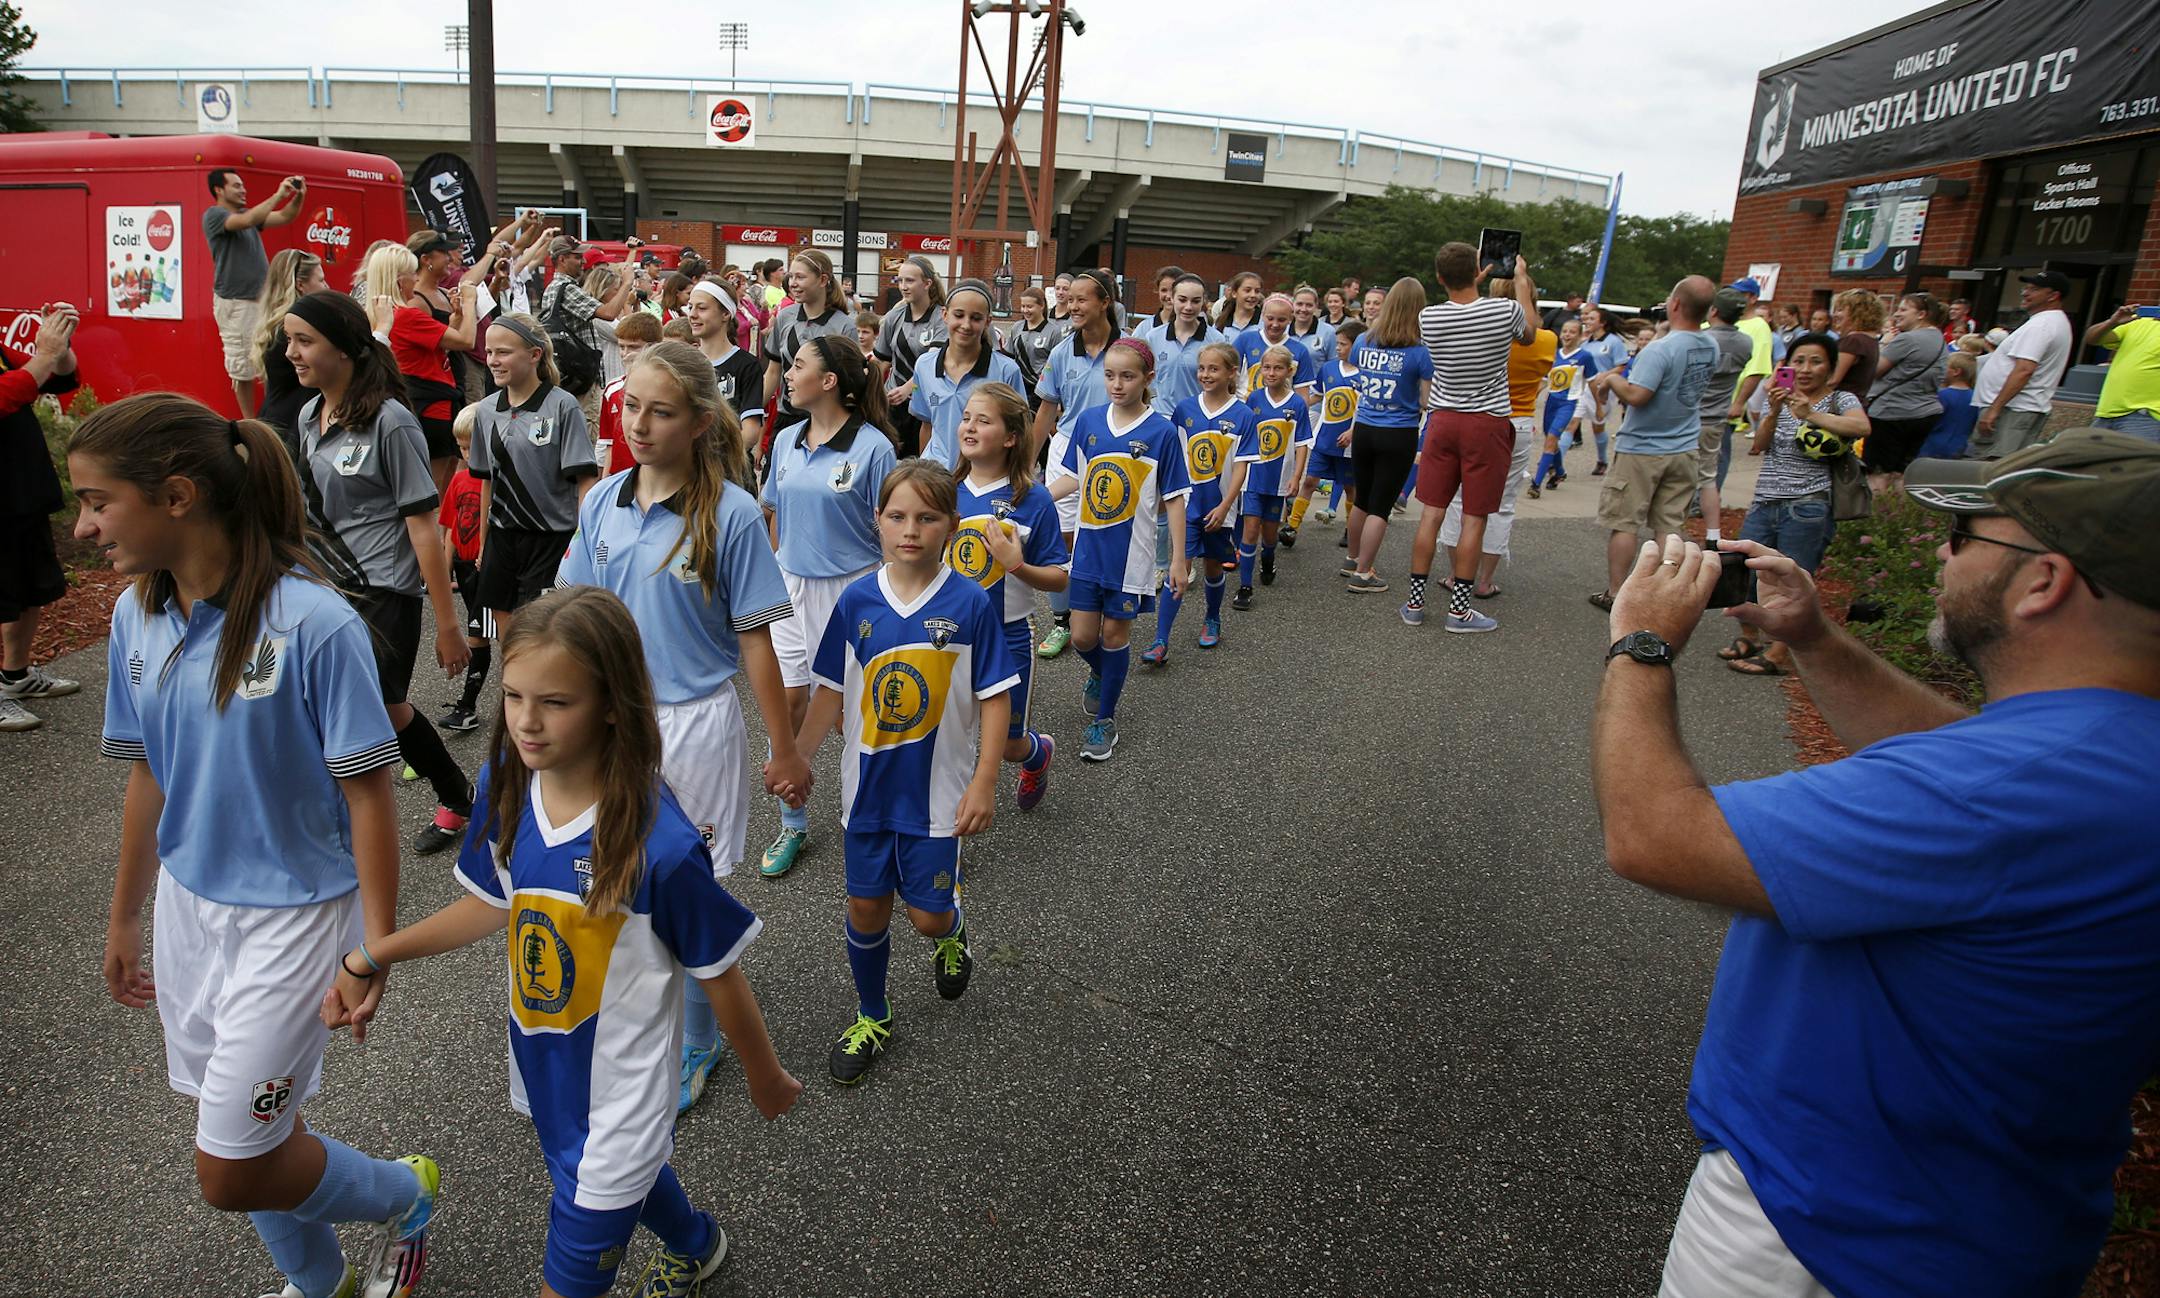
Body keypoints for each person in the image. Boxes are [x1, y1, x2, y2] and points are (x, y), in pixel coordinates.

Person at [1592, 431, 2160, 1298]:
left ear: (2044, 583)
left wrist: (1639, 644)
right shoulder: (2099, 754)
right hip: (1988, 1217)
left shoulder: (2005, 788)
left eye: (1967, 534)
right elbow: (1966, 767)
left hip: (1829, 1228)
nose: (1940, 546)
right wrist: (1813, 639)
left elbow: (1655, 834)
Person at [327, 585, 802, 1298]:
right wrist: (374, 952)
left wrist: (764, 1075)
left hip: (623, 1097)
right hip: (547, 1062)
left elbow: (720, 971)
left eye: (555, 702)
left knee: (588, 1221)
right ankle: (697, 1244)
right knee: (612, 1180)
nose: (526, 721)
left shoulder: (660, 846)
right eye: (515, 697)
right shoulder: (509, 782)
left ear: (613, 701)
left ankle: (681, 1241)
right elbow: (492, 906)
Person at [73, 393, 436, 1298]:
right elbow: (150, 777)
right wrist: (125, 917)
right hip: (190, 912)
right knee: (244, 1129)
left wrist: (373, 949)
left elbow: (369, 795)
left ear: (179, 496)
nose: (82, 527)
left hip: (299, 921)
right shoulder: (136, 617)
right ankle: (321, 1283)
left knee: (228, 1167)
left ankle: (403, 1195)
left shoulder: (315, 625)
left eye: (97, 501)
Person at [556, 341, 808, 1115]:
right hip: (612, 724)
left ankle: (701, 1039)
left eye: (660, 411)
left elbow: (757, 640)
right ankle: (632, 1010)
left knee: (689, 891)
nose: (639, 424)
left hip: (695, 727)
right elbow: (571, 612)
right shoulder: (602, 500)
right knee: (610, 874)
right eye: (631, 405)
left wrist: (785, 747)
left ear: (700, 422)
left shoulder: (730, 515)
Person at [793, 460, 1020, 1086]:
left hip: (937, 796)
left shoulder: (969, 601)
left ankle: (951, 931)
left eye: (926, 517)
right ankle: (873, 1014)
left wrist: (984, 781)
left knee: (923, 916)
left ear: (950, 525)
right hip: (865, 793)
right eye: (897, 516)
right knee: (866, 909)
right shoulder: (858, 598)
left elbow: (997, 695)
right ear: (878, 522)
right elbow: (831, 691)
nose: (910, 530)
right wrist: (796, 756)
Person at [285, 292, 475, 858]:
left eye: (304, 341)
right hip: (328, 586)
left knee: (383, 706)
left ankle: (454, 797)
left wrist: (447, 624)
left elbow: (423, 524)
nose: (291, 353)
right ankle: (446, 795)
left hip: (384, 589)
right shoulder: (308, 414)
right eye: (289, 341)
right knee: (355, 705)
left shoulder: (391, 421)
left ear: (344, 348)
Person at [756, 335, 898, 880]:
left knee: (851, 716)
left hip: (854, 590)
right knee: (789, 702)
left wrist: (892, 599)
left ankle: (870, 813)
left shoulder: (874, 447)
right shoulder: (787, 438)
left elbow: (890, 531)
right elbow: (773, 513)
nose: (787, 375)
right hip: (789, 589)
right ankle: (792, 819)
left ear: (830, 381)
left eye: (797, 366)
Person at [1046, 339, 1189, 762]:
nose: (1117, 384)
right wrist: (1033, 499)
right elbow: (1073, 478)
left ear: (1148, 379)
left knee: (1113, 635)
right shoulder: (1089, 421)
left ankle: (1105, 720)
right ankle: (1103, 674)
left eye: (1127, 376)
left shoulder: (1162, 431)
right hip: (1088, 552)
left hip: (1133, 556)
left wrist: (1178, 558)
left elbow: (1177, 497)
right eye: (1109, 375)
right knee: (1082, 635)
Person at [1401, 242, 1539, 631]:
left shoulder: (1429, 318)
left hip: (1443, 420)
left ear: (1440, 277)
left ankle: (1414, 604)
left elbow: (1460, 308)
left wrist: (1469, 278)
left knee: (1431, 512)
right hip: (1486, 421)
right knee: (1474, 517)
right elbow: (1529, 334)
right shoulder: (1504, 309)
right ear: (1478, 269)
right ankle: (1459, 609)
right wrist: (1522, 283)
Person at [1720, 332, 1870, 677]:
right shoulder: (1782, 399)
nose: (1805, 369)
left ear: (1831, 367)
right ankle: (1749, 636)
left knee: (1794, 579)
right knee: (1743, 570)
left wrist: (1811, 415)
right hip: (1765, 499)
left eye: (1816, 361)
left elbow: (1862, 427)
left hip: (1808, 505)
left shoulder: (1839, 399)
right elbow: (1759, 444)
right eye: (1798, 361)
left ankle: (1778, 653)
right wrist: (1774, 410)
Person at [948, 381, 1069, 801]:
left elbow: (1059, 576)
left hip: (1009, 635)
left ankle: (1037, 754)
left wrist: (1015, 564)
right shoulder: (945, 491)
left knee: (1008, 746)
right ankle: (946, 827)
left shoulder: (1033, 499)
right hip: (949, 634)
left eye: (983, 420)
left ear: (1011, 437)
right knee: (948, 736)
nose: (970, 427)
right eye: (966, 418)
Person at [1585, 278, 1720, 611]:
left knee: (1625, 521)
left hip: (1643, 447)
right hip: (1685, 445)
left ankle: (1618, 594)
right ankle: (1661, 592)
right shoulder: (1710, 346)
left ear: (1674, 304)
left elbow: (1638, 396)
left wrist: (1612, 379)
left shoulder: (1660, 349)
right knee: (1669, 526)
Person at [471, 313, 602, 641]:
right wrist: (483, 539)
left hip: (550, 536)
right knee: (504, 626)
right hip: (502, 536)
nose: (493, 361)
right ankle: (512, 689)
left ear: (534, 354)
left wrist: (581, 538)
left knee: (542, 629)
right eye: (489, 352)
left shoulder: (562, 406)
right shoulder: (485, 411)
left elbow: (585, 479)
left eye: (503, 352)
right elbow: (486, 479)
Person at [1436, 281, 1556, 599]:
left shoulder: (1476, 329)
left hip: (1471, 415)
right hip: (1518, 419)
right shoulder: (1545, 339)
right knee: (1501, 504)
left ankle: (1454, 573)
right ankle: (1485, 579)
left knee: (1459, 500)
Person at [1029, 268, 1124, 659]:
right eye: (1069, 300)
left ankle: (1105, 611)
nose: (1072, 306)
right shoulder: (1061, 351)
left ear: (1105, 303)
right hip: (1067, 449)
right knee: (1062, 538)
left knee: (1106, 535)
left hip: (1115, 447)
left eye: (1082, 299)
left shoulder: (1127, 349)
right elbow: (1047, 410)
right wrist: (1026, 462)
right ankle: (1064, 621)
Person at [0, 304, 81, 733]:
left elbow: (60, 377)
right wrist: (44, 356)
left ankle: (15, 676)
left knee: (29, 589)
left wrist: (59, 343)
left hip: (20, 492)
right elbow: (9, 392)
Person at [1156, 341, 1250, 661]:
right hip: (1188, 504)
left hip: (1220, 509)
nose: (1206, 374)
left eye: (1214, 368)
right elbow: (1173, 456)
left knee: (1212, 567)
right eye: (1202, 368)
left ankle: (1212, 617)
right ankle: (1160, 639)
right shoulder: (1185, 409)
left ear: (1231, 373)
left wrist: (1225, 506)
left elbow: (1241, 466)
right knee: (1178, 564)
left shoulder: (1243, 414)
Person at [1342, 278, 1434, 595]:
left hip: (1365, 427)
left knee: (1362, 500)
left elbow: (1356, 370)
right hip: (1399, 432)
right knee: (1381, 505)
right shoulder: (1420, 352)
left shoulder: (1364, 340)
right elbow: (1426, 400)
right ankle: (1365, 573)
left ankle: (1353, 559)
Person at [371, 245, 477, 493]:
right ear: (399, 281)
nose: (417, 279)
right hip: (433, 407)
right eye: (412, 273)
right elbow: (466, 341)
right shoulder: (407, 316)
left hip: (415, 401)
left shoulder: (380, 315)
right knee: (437, 488)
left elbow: (443, 343)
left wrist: (458, 316)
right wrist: (471, 302)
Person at [203, 169, 305, 418]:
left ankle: (273, 415)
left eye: (243, 185)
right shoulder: (215, 215)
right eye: (236, 186)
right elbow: (246, 221)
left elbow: (284, 216)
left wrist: (298, 196)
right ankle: (251, 424)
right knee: (242, 369)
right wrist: (278, 193)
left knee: (269, 358)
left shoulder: (246, 215)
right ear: (219, 190)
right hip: (237, 302)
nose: (243, 189)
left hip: (261, 301)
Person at [1218, 346, 1312, 608]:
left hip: (1278, 479)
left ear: (1289, 371)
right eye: (1267, 367)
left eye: (1278, 368)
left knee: (1270, 534)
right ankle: (1245, 587)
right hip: (1253, 478)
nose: (1271, 373)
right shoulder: (1254, 400)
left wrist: (1296, 477)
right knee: (1250, 529)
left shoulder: (1296, 404)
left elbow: (1302, 443)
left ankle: (1268, 558)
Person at [909, 279, 1025, 468]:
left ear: (988, 321)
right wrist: (925, 475)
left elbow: (1019, 432)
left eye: (976, 318)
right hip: (938, 478)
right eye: (959, 315)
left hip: (983, 477)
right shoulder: (924, 366)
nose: (966, 324)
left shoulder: (1006, 371)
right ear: (945, 315)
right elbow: (927, 426)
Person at [1968, 271, 2074, 460]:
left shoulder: (2041, 326)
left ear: (2053, 296)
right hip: (2016, 408)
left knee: (1994, 466)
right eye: (2026, 288)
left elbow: (2024, 370)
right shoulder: (2049, 322)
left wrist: (1994, 409)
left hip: (2013, 410)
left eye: (2034, 289)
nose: (2025, 293)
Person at [435, 405, 494, 734]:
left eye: (474, 446)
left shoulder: (497, 481)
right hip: (466, 570)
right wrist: (443, 574)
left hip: (490, 569)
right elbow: (450, 530)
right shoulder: (458, 480)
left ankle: (475, 704)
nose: (469, 454)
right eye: (462, 447)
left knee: (497, 637)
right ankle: (468, 707)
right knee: (479, 636)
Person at [761, 251, 858, 440]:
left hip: (825, 424)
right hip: (786, 418)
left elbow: (851, 386)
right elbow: (773, 372)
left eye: (800, 277)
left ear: (823, 280)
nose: (792, 283)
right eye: (791, 276)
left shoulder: (844, 326)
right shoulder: (785, 317)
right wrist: (752, 412)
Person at [1689, 289, 1759, 546]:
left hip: (1689, 417)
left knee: (1677, 476)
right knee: (1708, 478)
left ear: (1714, 311)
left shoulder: (1701, 339)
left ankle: (1670, 530)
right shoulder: (1745, 342)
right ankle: (1713, 534)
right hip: (1716, 418)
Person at [1863, 292, 1950, 487]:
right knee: (1900, 473)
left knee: (1878, 472)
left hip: (1891, 412)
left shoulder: (1907, 339)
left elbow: (1874, 370)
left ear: (1921, 314)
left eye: (1903, 309)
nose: (1896, 314)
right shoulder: (1939, 338)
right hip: (1925, 412)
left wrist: (1884, 342)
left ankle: (1876, 515)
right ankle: (1898, 515)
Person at [252, 249, 329, 450]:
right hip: (290, 429)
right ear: (301, 285)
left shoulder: (276, 324)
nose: (326, 286)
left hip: (276, 420)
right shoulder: (293, 329)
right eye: (321, 280)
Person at [876, 255, 950, 457]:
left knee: (920, 467)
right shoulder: (894, 316)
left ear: (927, 283)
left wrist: (908, 388)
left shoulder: (940, 317)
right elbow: (882, 361)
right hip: (893, 405)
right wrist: (872, 393)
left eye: (909, 280)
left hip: (924, 405)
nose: (903, 286)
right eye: (900, 280)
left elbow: (931, 362)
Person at [1296, 322, 1362, 537]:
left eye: (1343, 344)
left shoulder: (1366, 374)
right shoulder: (1329, 368)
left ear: (1358, 345)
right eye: (1338, 343)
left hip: (1349, 445)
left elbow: (1367, 409)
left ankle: (1350, 530)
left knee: (1350, 488)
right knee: (1310, 481)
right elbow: (1317, 395)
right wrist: (1296, 405)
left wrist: (1354, 432)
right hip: (1324, 439)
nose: (1338, 348)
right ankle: (1292, 526)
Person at [684, 279, 765, 444]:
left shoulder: (746, 364)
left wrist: (716, 460)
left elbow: (750, 431)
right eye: (691, 307)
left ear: (726, 314)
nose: (692, 314)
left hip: (729, 464)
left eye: (702, 308)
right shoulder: (684, 363)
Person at [1530, 317, 1597, 496]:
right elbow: (1544, 381)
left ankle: (1536, 483)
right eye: (1565, 331)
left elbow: (1592, 382)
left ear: (1580, 335)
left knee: (1551, 439)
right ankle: (1559, 472)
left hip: (1568, 403)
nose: (1567, 335)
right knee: (1550, 440)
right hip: (1551, 402)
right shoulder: (1554, 355)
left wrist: (1598, 404)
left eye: (1572, 332)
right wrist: (1532, 397)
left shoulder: (1584, 357)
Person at [594, 310, 665, 476]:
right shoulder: (612, 390)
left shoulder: (666, 389)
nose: (626, 353)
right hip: (620, 477)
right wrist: (604, 480)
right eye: (621, 346)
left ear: (653, 347)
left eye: (634, 347)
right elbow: (608, 442)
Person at [1144, 273, 1223, 418]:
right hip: (1160, 418)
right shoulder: (1153, 337)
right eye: (1182, 300)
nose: (1188, 307)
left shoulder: (1217, 340)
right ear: (1172, 299)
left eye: (1195, 301)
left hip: (1197, 418)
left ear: (1203, 302)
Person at [2084, 302, 2160, 441]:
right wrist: (2112, 322)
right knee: (2090, 462)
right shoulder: (2139, 321)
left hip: (2147, 417)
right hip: (2107, 414)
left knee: (2134, 463)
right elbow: (2092, 338)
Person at [1232, 295, 1318, 403]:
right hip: (1247, 408)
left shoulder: (1300, 350)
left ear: (1290, 319)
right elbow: (1229, 378)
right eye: (1270, 318)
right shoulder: (1245, 340)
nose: (1275, 324)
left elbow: (1302, 393)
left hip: (1280, 414)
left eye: (1281, 320)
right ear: (1262, 316)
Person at [1578, 304, 1632, 474]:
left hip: (1603, 390)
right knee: (1571, 423)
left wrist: (1604, 375)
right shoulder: (1585, 342)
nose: (1587, 321)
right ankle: (1556, 468)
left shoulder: (1613, 342)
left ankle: (1602, 460)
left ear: (1602, 323)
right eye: (1586, 318)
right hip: (1583, 388)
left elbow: (1622, 366)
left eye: (1592, 318)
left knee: (1597, 427)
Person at [1002, 285, 1066, 415]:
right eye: (1023, 306)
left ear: (1041, 306)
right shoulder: (1017, 328)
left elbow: (1059, 366)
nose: (1025, 310)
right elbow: (1008, 358)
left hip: (1041, 390)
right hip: (1018, 387)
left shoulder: (1054, 331)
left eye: (1029, 306)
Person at [1915, 351, 1981, 460]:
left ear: (1956, 372)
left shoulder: (1941, 395)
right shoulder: (1975, 397)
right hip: (1960, 446)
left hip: (1933, 445)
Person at [1289, 285, 1337, 370]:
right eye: (1299, 304)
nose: (1303, 309)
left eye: (1309, 305)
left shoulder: (1328, 332)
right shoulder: (1283, 330)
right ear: (1293, 304)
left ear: (1316, 306)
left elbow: (1333, 365)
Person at [1215, 270, 1263, 335]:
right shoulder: (1221, 323)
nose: (1253, 295)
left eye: (1257, 291)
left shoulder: (1265, 322)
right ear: (1234, 293)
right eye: (1247, 290)